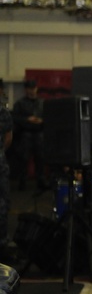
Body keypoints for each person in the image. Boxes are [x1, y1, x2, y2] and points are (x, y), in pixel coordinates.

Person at [10, 79, 44, 191]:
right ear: (26, 90)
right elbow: (14, 118)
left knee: (40, 159)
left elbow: (49, 117)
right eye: (29, 88)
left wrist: (41, 121)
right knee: (23, 159)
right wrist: (27, 119)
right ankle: (22, 182)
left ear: (36, 89)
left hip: (39, 134)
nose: (32, 91)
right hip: (25, 134)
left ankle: (40, 181)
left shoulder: (42, 103)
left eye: (33, 88)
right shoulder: (20, 104)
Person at [0, 84, 12, 255]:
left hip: (0, 162)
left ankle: (2, 242)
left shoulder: (3, 113)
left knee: (4, 203)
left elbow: (8, 137)